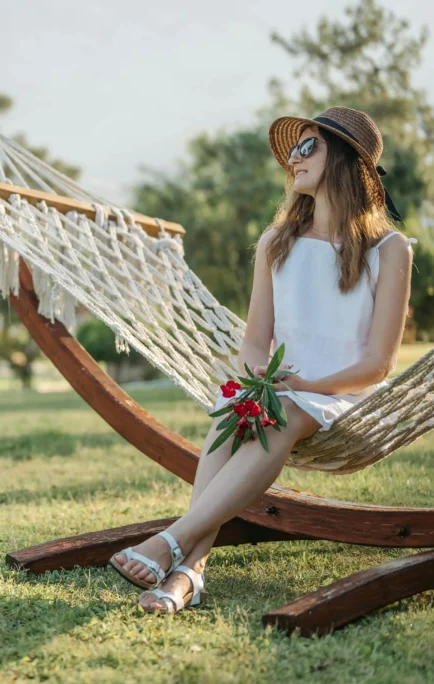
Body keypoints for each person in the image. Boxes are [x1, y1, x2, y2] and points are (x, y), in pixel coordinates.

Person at [109, 106, 416, 614]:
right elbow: (255, 342)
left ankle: (175, 540)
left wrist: (306, 385)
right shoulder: (277, 244)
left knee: (282, 413)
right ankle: (188, 573)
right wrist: (259, 379)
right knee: (234, 408)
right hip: (283, 388)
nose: (294, 159)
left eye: (308, 146)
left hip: (346, 398)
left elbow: (378, 364)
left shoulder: (390, 249)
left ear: (342, 158)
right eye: (295, 149)